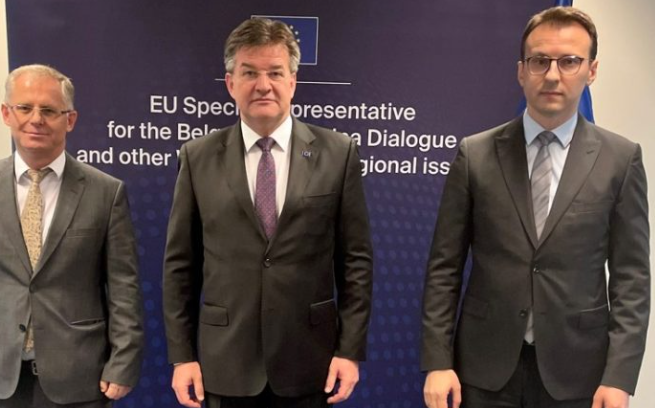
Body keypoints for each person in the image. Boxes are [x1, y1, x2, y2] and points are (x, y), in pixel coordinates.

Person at [421, 6, 650, 408]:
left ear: (591, 71)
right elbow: (444, 267)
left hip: (578, 372)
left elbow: (631, 279)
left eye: (569, 61)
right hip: (484, 370)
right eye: (540, 60)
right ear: (521, 71)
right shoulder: (475, 155)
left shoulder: (620, 159)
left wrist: (619, 377)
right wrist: (438, 362)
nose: (553, 75)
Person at [162, 17, 373, 408]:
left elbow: (355, 261)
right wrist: (182, 356)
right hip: (224, 363)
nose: (263, 85)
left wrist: (349, 350)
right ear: (230, 84)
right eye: (250, 73)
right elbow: (180, 266)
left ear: (292, 82)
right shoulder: (197, 157)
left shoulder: (338, 153)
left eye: (275, 72)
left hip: (310, 360)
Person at [0, 64, 144, 407]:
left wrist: (123, 362)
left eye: (49, 110)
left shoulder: (106, 192)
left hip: (80, 375)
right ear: (6, 113)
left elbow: (124, 288)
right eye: (24, 107)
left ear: (70, 120)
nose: (36, 119)